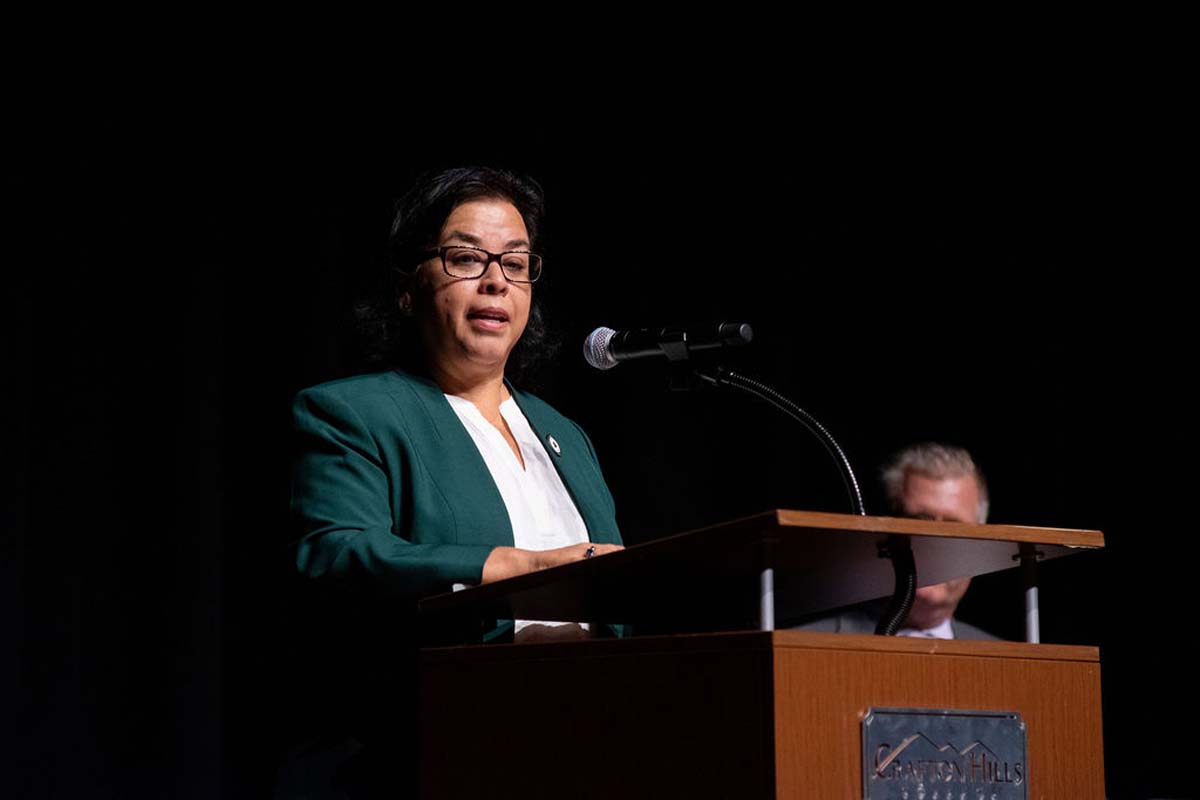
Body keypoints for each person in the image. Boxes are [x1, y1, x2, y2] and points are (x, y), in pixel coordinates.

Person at [281, 167, 623, 798]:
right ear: (407, 287)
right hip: (432, 754)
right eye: (467, 257)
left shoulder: (563, 434)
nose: (497, 279)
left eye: (516, 264)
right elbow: (336, 552)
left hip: (586, 747)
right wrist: (520, 566)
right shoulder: (355, 412)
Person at [796, 442, 998, 640]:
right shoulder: (801, 648)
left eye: (954, 527)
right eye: (920, 522)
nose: (936, 542)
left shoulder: (1007, 664)